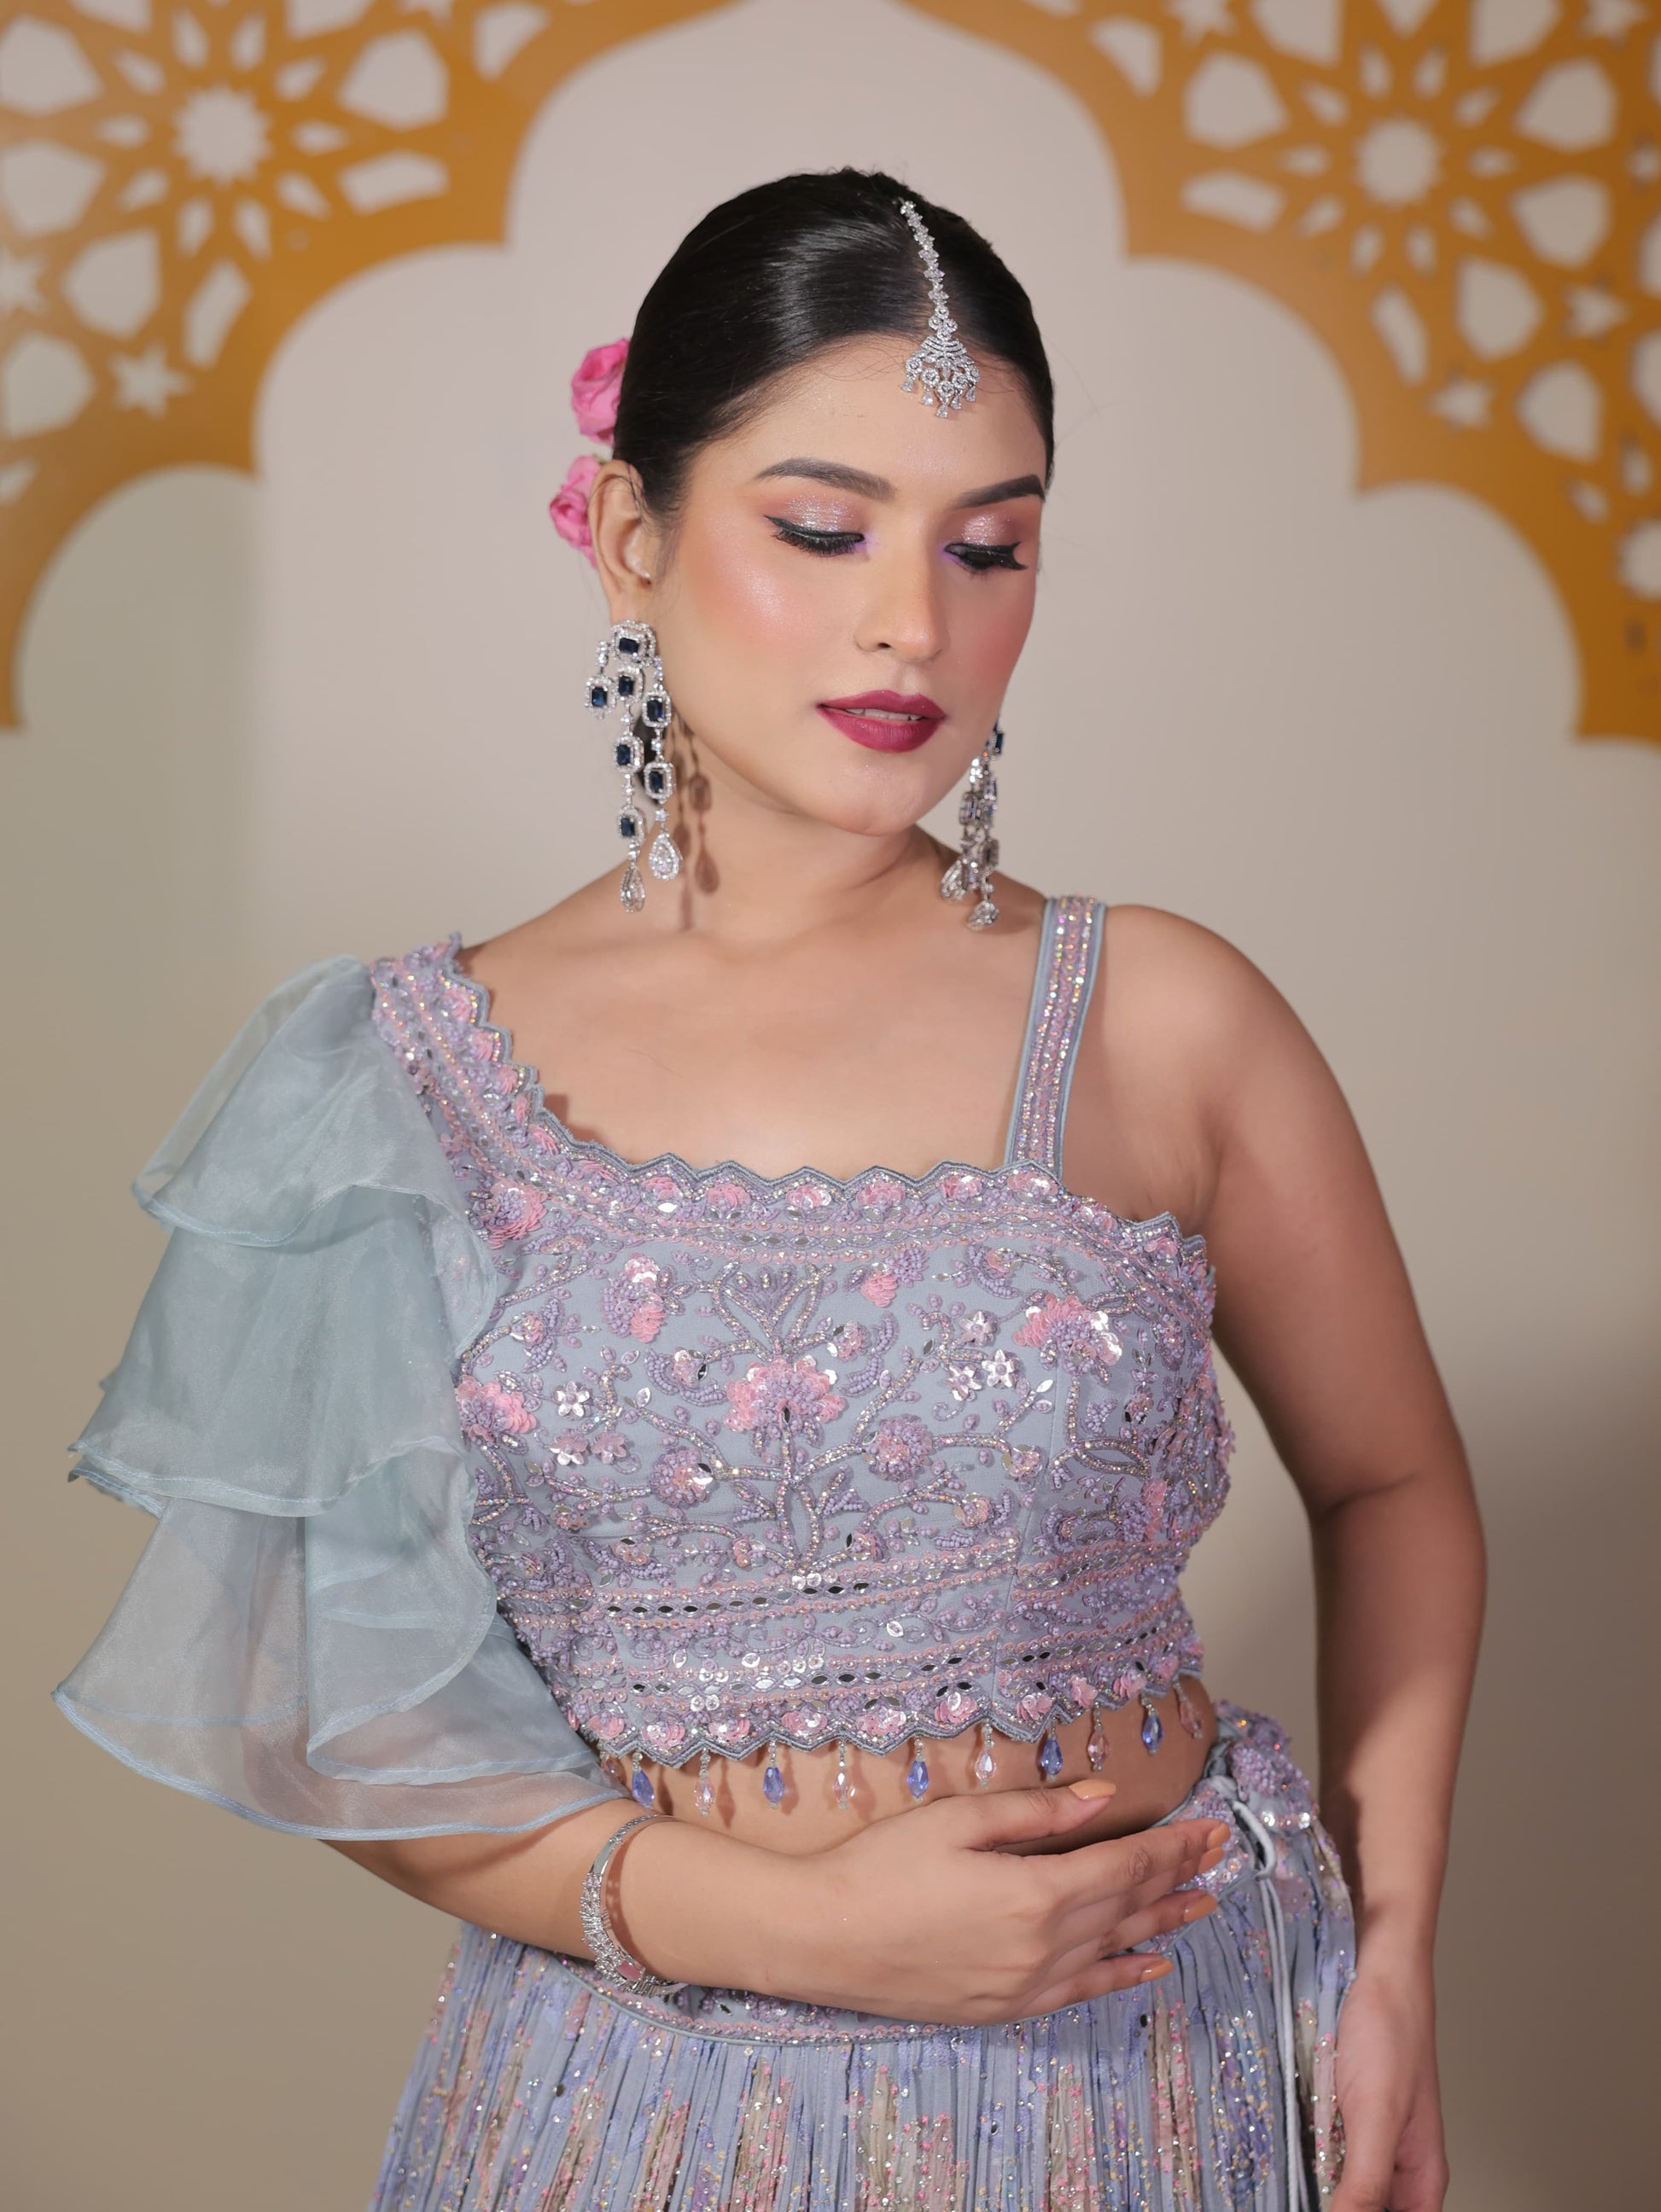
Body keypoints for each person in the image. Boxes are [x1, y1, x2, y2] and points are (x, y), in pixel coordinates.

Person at [54, 169, 1483, 2212]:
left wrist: (1395, 1950)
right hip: (641, 2105)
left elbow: (1393, 1482)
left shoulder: (1164, 1020)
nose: (914, 623)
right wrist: (804, 1933)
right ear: (629, 534)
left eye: (988, 547)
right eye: (822, 530)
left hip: (1164, 2069)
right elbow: (348, 1716)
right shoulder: (391, 1080)